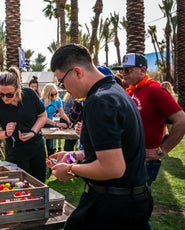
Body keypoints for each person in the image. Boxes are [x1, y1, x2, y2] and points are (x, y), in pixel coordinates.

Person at [47, 44, 153, 229]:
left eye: (61, 81)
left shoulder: (99, 101)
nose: (64, 88)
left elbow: (113, 168)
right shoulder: (115, 90)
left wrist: (71, 169)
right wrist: (74, 155)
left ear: (77, 72)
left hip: (112, 207)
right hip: (131, 202)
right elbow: (115, 149)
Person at [114, 53, 185, 187]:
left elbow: (181, 120)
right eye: (122, 70)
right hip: (127, 158)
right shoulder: (131, 90)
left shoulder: (156, 90)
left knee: (136, 201)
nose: (123, 73)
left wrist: (162, 150)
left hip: (144, 161)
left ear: (143, 70)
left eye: (128, 70)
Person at [0, 66, 48, 183]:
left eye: (9, 95)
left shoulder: (29, 94)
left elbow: (43, 116)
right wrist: (6, 133)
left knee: (39, 184)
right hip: (16, 153)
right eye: (1, 94)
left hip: (37, 148)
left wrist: (33, 132)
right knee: (19, 187)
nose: (5, 98)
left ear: (18, 89)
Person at [40, 83, 71, 156]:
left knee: (50, 147)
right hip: (41, 124)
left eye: (55, 93)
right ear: (47, 93)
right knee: (41, 147)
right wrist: (57, 124)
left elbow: (62, 113)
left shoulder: (58, 100)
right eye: (51, 94)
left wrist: (69, 122)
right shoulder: (41, 101)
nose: (54, 96)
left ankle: (51, 163)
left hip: (50, 125)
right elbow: (43, 118)